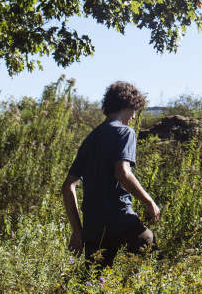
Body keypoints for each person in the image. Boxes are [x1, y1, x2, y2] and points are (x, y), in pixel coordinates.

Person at [62, 81, 160, 267]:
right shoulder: (125, 132)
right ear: (128, 105)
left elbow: (68, 186)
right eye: (134, 111)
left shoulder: (90, 138)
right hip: (121, 220)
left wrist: (78, 230)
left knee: (94, 283)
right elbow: (122, 173)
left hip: (93, 229)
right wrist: (149, 202)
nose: (133, 117)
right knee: (154, 267)